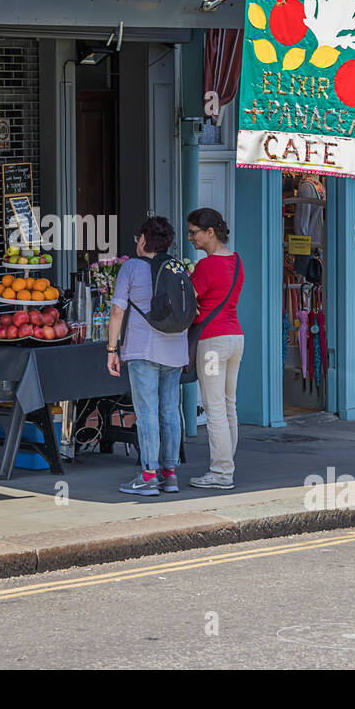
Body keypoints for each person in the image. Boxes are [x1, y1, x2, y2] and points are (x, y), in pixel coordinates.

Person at [106, 216, 189, 497]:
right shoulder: (177, 268)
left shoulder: (130, 267)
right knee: (169, 412)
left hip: (143, 350)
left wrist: (111, 349)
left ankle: (148, 475)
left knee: (147, 413)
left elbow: (118, 311)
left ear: (143, 239)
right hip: (175, 350)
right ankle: (170, 474)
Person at [186, 208, 244, 490]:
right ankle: (226, 464)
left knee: (214, 407)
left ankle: (221, 473)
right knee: (229, 405)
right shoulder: (237, 261)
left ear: (210, 233)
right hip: (235, 338)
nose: (190, 238)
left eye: (194, 232)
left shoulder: (206, 266)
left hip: (212, 342)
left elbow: (189, 300)